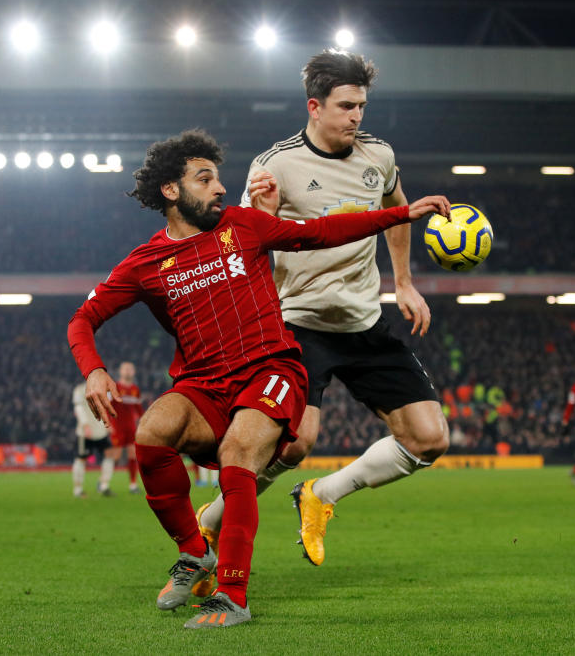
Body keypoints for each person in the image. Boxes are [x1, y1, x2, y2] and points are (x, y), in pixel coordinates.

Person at [67, 129, 449, 629]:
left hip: (271, 369)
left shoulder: (243, 226)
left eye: (219, 178)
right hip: (203, 384)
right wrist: (94, 370)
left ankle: (231, 595)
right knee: (151, 434)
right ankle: (193, 551)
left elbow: (321, 233)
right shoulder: (145, 264)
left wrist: (402, 212)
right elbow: (82, 319)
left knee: (240, 452)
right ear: (170, 191)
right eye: (205, 179)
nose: (220, 188)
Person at [197, 50, 450, 569]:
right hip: (299, 323)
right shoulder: (275, 164)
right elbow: (238, 243)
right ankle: (213, 519)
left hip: (364, 320)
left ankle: (322, 496)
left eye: (362, 106)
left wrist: (403, 282)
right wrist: (262, 214)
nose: (357, 117)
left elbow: (396, 211)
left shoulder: (378, 155)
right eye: (346, 106)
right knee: (294, 444)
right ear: (315, 107)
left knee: (430, 437)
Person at [98, 361, 144, 496]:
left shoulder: (135, 389)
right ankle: (103, 483)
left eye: (130, 369)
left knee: (132, 455)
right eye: (126, 369)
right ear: (120, 371)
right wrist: (108, 424)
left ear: (134, 372)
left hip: (131, 428)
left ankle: (133, 485)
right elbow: (107, 406)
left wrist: (143, 420)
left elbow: (138, 409)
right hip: (117, 426)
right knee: (115, 455)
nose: (128, 371)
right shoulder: (115, 386)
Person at [72, 379, 110, 498]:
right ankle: (78, 489)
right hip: (85, 432)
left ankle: (104, 485)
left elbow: (108, 406)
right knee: (81, 459)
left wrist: (109, 424)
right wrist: (85, 424)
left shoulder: (104, 389)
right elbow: (78, 408)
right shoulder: (79, 390)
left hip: (101, 431)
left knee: (110, 456)